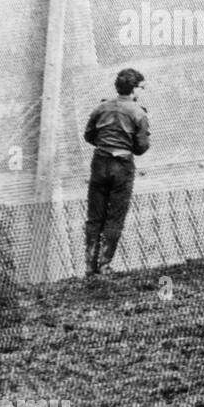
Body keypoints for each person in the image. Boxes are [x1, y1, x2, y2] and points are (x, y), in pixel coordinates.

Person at [83, 67, 150, 276]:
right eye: (141, 87)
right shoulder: (138, 113)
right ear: (134, 89)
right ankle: (104, 266)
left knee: (95, 217)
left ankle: (89, 267)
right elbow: (141, 147)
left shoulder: (101, 108)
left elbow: (89, 135)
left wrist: (105, 144)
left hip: (99, 162)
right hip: (122, 166)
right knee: (115, 217)